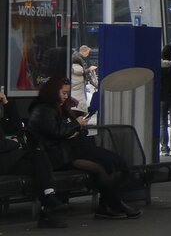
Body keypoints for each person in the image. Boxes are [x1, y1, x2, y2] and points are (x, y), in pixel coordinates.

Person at [25, 76, 140, 220]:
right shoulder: (43, 109)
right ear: (54, 92)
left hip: (69, 150)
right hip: (59, 155)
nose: (66, 97)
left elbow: (64, 131)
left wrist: (73, 128)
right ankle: (113, 204)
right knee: (103, 167)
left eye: (67, 93)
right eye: (64, 93)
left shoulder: (58, 108)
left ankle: (111, 204)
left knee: (114, 163)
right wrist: (75, 125)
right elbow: (57, 132)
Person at [0, 88, 67, 228]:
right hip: (5, 161)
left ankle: (48, 202)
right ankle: (48, 203)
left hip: (9, 159)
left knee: (39, 160)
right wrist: (15, 143)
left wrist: (6, 102)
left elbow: (16, 127)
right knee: (38, 158)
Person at [69, 45, 98, 113]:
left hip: (79, 85)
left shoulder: (77, 59)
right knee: (81, 103)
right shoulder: (77, 60)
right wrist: (89, 69)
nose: (87, 55)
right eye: (87, 53)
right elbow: (80, 71)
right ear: (83, 51)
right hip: (78, 85)